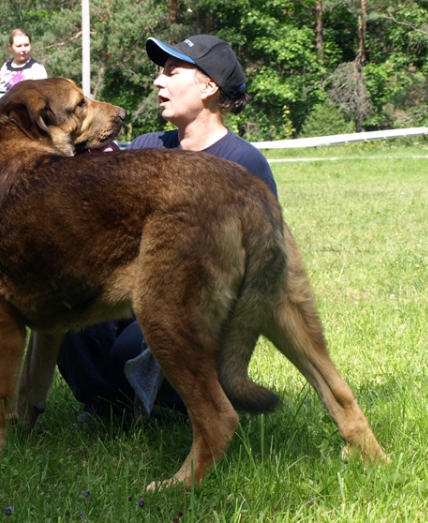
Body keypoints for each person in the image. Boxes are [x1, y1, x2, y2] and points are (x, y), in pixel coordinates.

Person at [56, 34, 278, 422]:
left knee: (133, 347)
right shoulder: (146, 145)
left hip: (203, 311)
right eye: (160, 72)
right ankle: (111, 408)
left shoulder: (244, 163)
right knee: (63, 309)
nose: (159, 81)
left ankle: (179, 405)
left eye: (172, 71)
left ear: (208, 86)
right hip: (135, 289)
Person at [0, 29, 48, 102]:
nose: (23, 49)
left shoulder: (37, 69)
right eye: (19, 46)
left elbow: (41, 98)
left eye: (26, 45)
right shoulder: (5, 67)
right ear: (10, 47)